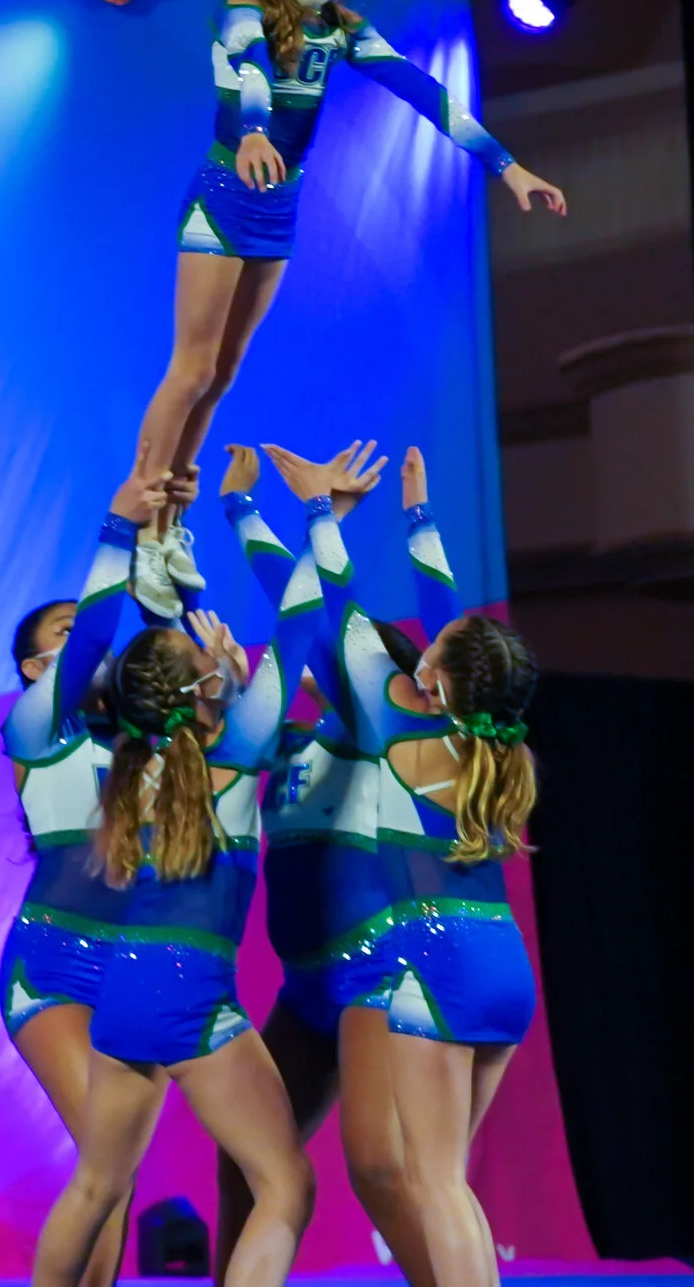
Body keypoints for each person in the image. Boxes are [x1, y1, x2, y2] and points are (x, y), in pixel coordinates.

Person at [124, 0, 565, 618]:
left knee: (223, 373)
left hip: (278, 208)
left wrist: (507, 166)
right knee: (192, 367)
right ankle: (145, 525)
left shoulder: (339, 29)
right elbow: (251, 70)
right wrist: (255, 131)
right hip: (224, 198)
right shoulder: (243, 8)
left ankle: (172, 525)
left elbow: (423, 91)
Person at [28, 457, 335, 1287]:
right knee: (286, 1186)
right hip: (191, 992)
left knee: (96, 1186)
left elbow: (210, 677)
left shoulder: (126, 768)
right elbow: (304, 618)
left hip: (122, 991)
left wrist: (200, 642)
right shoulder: (232, 758)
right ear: (202, 687)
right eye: (205, 656)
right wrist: (316, 514)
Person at [281, 445, 541, 1287]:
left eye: (438, 645)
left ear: (437, 674)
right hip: (503, 966)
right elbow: (455, 626)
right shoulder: (495, 747)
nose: (428, 636)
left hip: (433, 962)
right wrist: (419, 516)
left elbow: (340, 609)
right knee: (447, 1184)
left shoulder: (394, 720)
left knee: (433, 1184)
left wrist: (320, 514)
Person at [211, 445, 437, 1287]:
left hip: (376, 973)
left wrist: (286, 517)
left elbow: (312, 611)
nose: (312, 661)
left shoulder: (375, 735)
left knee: (378, 1167)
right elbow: (297, 622)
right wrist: (253, 512)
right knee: (246, 1163)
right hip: (306, 990)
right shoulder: (293, 744)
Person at [0, 466, 166, 1287]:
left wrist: (166, 565)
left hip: (140, 968)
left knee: (118, 1170)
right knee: (106, 1155)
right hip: (53, 967)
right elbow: (99, 638)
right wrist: (118, 530)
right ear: (36, 671)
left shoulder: (148, 749)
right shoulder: (34, 730)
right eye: (64, 635)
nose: (88, 643)